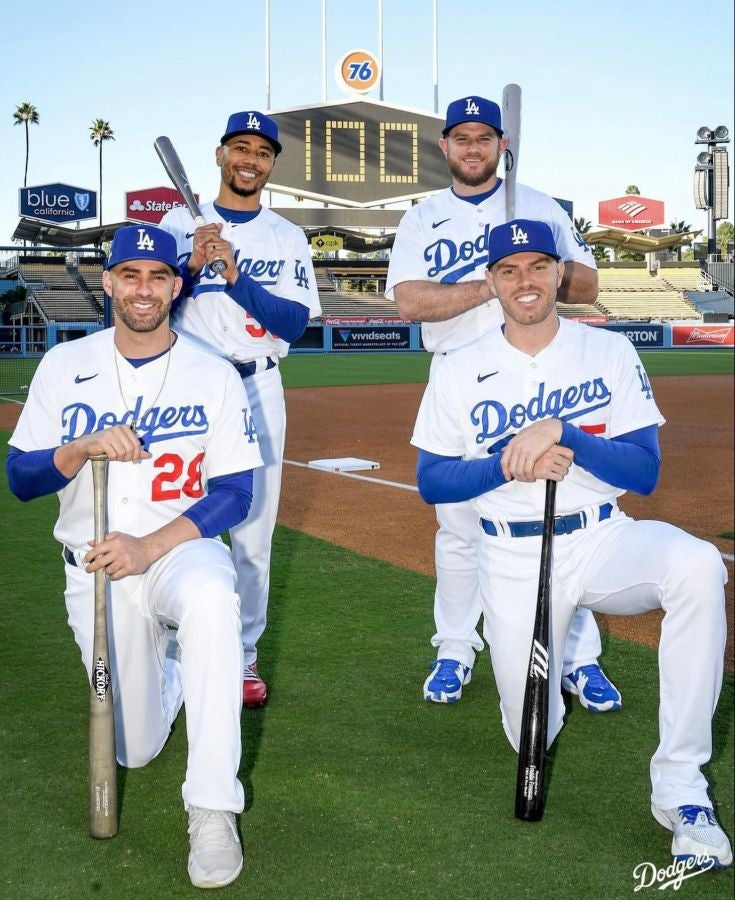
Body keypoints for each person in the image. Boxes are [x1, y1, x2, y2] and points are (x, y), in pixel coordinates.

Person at [411, 218, 731, 868]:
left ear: (559, 273)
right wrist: (508, 464)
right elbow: (432, 481)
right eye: (509, 270)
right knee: (531, 728)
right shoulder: (458, 366)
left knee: (697, 566)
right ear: (492, 281)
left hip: (601, 538)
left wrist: (568, 435)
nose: (524, 281)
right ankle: (556, 667)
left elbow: (644, 473)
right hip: (511, 556)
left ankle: (681, 788)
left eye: (537, 266)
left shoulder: (608, 352)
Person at [6, 225, 264, 889]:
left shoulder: (213, 372)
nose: (143, 289)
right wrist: (75, 450)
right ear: (109, 283)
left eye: (157, 276)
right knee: (136, 748)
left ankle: (212, 809)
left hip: (179, 550)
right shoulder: (64, 365)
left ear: (176, 287)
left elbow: (237, 493)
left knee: (212, 600)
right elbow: (21, 479)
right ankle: (175, 673)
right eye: (130, 275)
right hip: (95, 567)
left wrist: (151, 545)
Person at [385, 95, 620, 710]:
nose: (473, 148)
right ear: (445, 146)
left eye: (484, 138)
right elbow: (410, 302)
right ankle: (455, 647)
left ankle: (577, 657)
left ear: (501, 145)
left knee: (558, 516)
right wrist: (492, 281)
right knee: (459, 528)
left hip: (537, 372)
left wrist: (531, 265)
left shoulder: (539, 206)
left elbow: (588, 285)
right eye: (461, 138)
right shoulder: (422, 217)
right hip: (460, 376)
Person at [160, 110, 321, 708]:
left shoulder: (285, 236)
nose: (250, 160)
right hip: (188, 389)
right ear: (220, 155)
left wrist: (234, 278)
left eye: (262, 152)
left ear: (271, 164)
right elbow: (142, 307)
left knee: (253, 533)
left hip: (257, 386)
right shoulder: (178, 224)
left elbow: (294, 323)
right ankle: (174, 648)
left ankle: (244, 654)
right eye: (241, 148)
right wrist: (188, 266)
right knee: (176, 518)